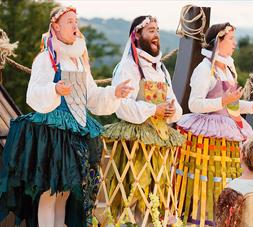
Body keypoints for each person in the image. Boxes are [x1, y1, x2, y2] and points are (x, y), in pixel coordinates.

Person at [0, 6, 132, 227]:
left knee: (65, 193)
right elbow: (33, 94)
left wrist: (114, 92)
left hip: (77, 130)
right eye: (70, 21)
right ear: (56, 26)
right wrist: (54, 90)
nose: (75, 25)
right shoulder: (46, 58)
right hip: (54, 132)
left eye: (76, 21)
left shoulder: (80, 60)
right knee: (50, 191)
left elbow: (91, 95)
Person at [174, 22, 253, 225]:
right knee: (207, 179)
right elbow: (194, 104)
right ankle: (202, 219)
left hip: (227, 133)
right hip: (208, 134)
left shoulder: (228, 68)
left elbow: (232, 105)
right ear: (218, 41)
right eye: (230, 39)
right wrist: (222, 101)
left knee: (226, 177)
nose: (234, 44)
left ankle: (225, 219)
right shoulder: (204, 69)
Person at [97, 15, 184, 226]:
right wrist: (153, 109)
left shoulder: (160, 69)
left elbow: (175, 105)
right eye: (151, 31)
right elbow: (121, 106)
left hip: (159, 142)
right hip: (135, 144)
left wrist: (171, 110)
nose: (156, 35)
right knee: (132, 194)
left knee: (156, 195)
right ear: (137, 35)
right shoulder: (128, 66)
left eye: (157, 30)